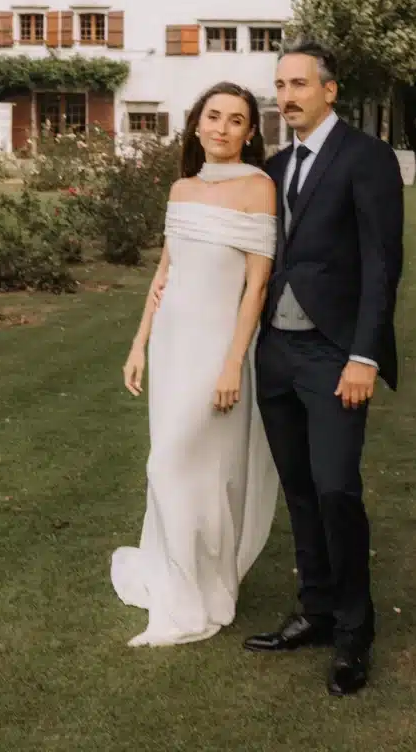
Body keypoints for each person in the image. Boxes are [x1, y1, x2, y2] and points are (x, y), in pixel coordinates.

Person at [243, 41, 404, 697]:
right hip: (275, 356)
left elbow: (382, 263)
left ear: (329, 90)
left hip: (334, 354)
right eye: (280, 84)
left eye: (299, 84)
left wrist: (364, 354)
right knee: (301, 490)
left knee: (336, 488)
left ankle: (354, 633)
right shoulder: (274, 167)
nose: (287, 96)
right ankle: (315, 609)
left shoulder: (366, 158)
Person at [111, 82, 279, 647]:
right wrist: (139, 343)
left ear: (250, 133)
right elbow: (166, 273)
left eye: (236, 120)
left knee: (176, 465)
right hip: (171, 346)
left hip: (216, 349)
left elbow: (257, 288)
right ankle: (185, 579)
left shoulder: (259, 188)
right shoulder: (181, 189)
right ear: (197, 123)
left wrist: (234, 362)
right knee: (182, 466)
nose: (222, 128)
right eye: (213, 116)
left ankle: (194, 597)